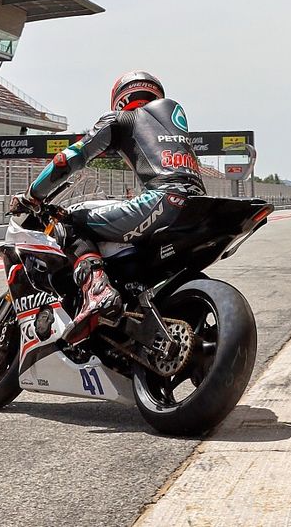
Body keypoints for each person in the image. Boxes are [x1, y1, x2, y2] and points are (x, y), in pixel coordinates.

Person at [11, 71, 205, 344]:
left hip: (163, 201)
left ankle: (98, 292)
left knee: (69, 221)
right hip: (200, 206)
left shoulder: (123, 118)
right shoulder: (172, 124)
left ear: (121, 98)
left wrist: (32, 195)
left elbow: (68, 159)